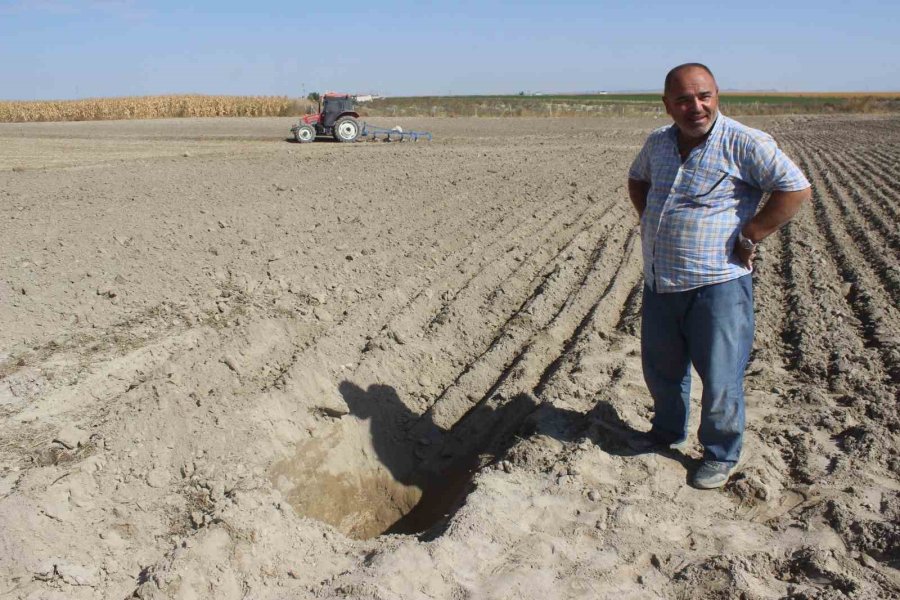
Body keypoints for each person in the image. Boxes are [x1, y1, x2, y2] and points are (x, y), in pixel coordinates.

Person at [626, 63, 811, 489]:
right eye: (684, 100)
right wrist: (651, 218)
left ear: (716, 95)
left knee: (721, 374)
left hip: (717, 284)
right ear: (667, 104)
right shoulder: (658, 142)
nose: (696, 107)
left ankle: (719, 452)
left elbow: (795, 188)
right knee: (662, 369)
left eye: (704, 96)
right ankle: (666, 431)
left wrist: (753, 232)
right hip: (661, 281)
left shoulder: (744, 142)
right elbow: (638, 180)